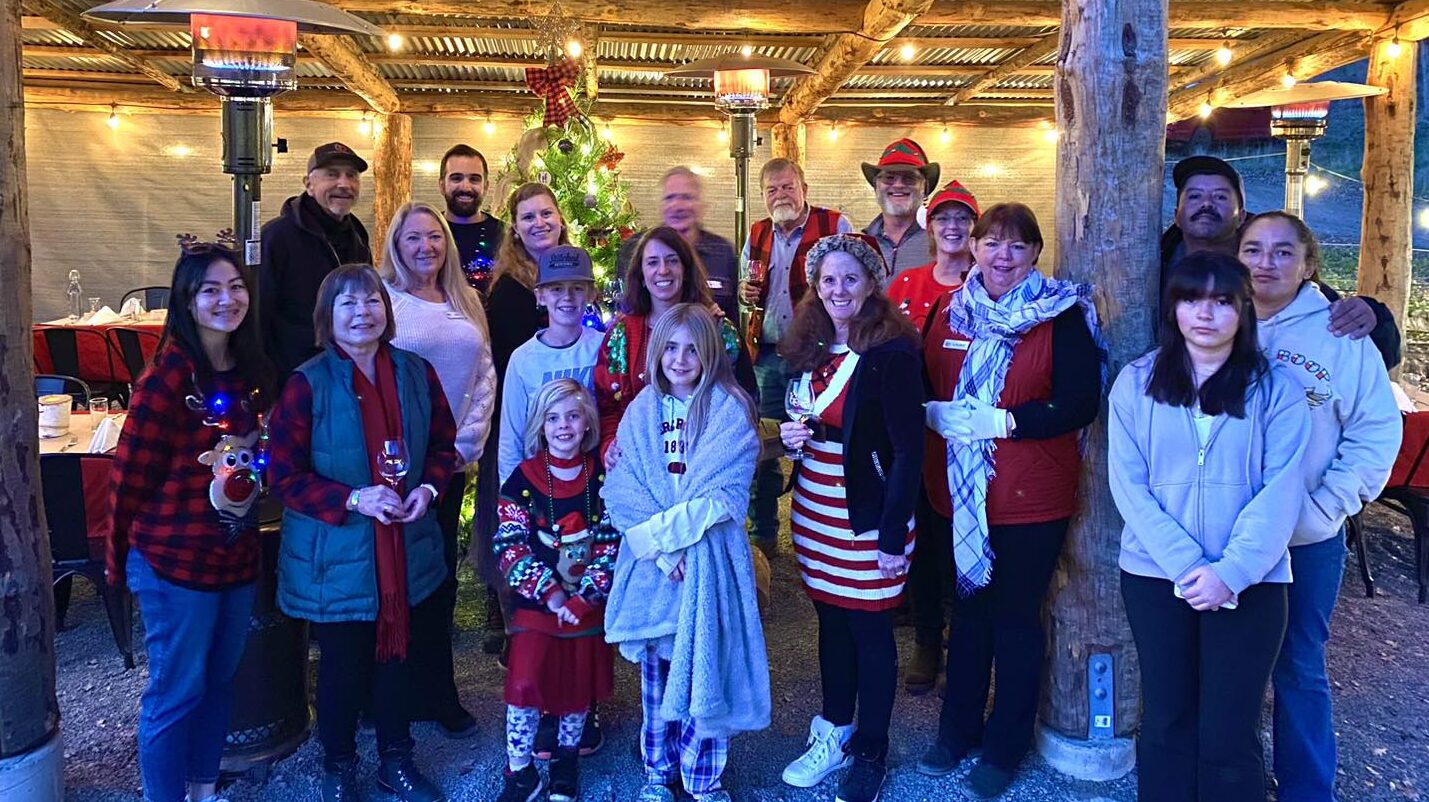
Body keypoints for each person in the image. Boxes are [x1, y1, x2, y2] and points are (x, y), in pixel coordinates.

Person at [916, 203, 1104, 798]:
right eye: (991, 243)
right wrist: (932, 411)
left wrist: (1005, 421)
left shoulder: (1061, 315)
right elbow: (922, 381)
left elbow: (1080, 401)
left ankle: (1005, 745)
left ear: (1035, 254)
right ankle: (956, 732)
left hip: (1030, 496)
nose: (1002, 256)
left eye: (1017, 246)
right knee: (967, 613)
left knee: (1016, 620)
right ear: (972, 248)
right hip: (960, 496)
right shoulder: (951, 309)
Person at [1108, 251, 1311, 802]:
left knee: (1229, 729)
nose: (1206, 313)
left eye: (1223, 301)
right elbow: (1129, 486)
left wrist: (1232, 571)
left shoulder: (1279, 390)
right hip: (1156, 577)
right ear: (1173, 308)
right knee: (1167, 719)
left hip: (1253, 581)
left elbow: (1281, 491)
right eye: (1192, 299)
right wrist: (1189, 566)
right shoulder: (1136, 384)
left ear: (1244, 312)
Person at [268, 264, 457, 802]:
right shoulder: (307, 384)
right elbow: (282, 475)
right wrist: (353, 497)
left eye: (371, 301)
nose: (362, 313)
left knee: (399, 662)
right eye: (347, 304)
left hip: (404, 546)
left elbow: (444, 448)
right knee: (343, 670)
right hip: (341, 554)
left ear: (386, 309)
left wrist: (429, 490)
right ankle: (339, 766)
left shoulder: (416, 373)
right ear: (328, 317)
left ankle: (395, 761)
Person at [1239, 213, 1402, 802]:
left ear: (1308, 265)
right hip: (1226, 533)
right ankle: (1236, 780)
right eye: (1253, 250)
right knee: (1229, 664)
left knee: (1299, 664)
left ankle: (1309, 788)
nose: (1266, 263)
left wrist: (1324, 508)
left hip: (1307, 536)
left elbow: (1374, 434)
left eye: (1283, 252)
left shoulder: (1340, 334)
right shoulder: (1218, 322)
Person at [108, 241, 276, 802]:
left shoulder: (249, 371)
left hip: (234, 557)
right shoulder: (165, 380)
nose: (227, 299)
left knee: (218, 684)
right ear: (187, 299)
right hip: (174, 564)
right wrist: (118, 563)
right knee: (176, 693)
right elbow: (128, 478)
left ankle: (202, 789)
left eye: (235, 287)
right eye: (211, 289)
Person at [776, 233, 923, 802]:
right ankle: (832, 733)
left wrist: (893, 536)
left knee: (870, 630)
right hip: (817, 510)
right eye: (828, 280)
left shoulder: (893, 351)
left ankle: (871, 749)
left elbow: (909, 449)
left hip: (868, 513)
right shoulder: (812, 347)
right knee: (832, 625)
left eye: (851, 279)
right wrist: (793, 436)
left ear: (871, 284)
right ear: (816, 286)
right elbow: (813, 420)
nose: (838, 290)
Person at [602, 303, 767, 802]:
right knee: (657, 680)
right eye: (670, 347)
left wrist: (666, 541)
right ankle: (658, 772)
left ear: (710, 352)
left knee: (706, 667)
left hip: (709, 561)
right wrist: (660, 554)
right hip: (658, 570)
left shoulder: (728, 408)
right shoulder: (641, 409)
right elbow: (623, 489)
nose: (679, 358)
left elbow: (725, 496)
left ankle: (702, 778)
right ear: (656, 352)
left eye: (692, 348)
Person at [379, 201, 498, 738]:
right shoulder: (385, 302)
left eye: (434, 237)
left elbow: (486, 374)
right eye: (413, 239)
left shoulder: (465, 299)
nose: (425, 247)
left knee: (441, 579)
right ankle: (388, 696)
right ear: (395, 246)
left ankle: (438, 689)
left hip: (446, 468)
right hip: (394, 468)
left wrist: (463, 447)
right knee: (394, 581)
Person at [494, 379, 620, 802]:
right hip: (537, 604)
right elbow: (509, 546)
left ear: (587, 423)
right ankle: (521, 772)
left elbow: (611, 543)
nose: (563, 426)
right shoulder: (522, 480)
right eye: (553, 418)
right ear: (541, 426)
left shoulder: (603, 479)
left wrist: (586, 596)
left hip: (586, 605)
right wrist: (549, 593)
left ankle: (566, 758)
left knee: (575, 684)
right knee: (526, 686)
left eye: (572, 416)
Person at [1160, 155, 1400, 368]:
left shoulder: (1265, 272)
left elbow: (1365, 350)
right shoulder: (1150, 271)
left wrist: (1374, 318)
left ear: (1241, 215)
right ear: (1177, 216)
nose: (1206, 204)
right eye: (1194, 196)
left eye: (1220, 197)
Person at [884, 178, 980, 693]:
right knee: (924, 538)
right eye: (943, 218)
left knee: (966, 540)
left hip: (973, 435)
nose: (952, 227)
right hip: (918, 432)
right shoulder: (905, 285)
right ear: (930, 224)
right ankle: (926, 639)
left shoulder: (989, 283)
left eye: (962, 219)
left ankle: (964, 643)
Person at [739, 158, 854, 554]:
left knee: (823, 441)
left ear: (804, 186)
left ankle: (827, 529)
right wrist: (744, 293)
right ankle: (764, 534)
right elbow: (746, 287)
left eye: (788, 187)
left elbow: (851, 284)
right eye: (771, 190)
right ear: (763, 196)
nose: (780, 195)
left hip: (817, 355)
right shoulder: (756, 233)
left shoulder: (835, 225)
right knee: (766, 445)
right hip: (768, 356)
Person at [478, 182, 570, 658]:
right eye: (529, 216)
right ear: (515, 227)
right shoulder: (509, 288)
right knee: (512, 509)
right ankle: (507, 603)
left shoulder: (569, 272)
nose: (539, 223)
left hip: (567, 423)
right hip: (520, 418)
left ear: (560, 219)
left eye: (546, 214)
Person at [596, 225, 756, 467]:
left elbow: (745, 401)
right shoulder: (621, 335)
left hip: (705, 467)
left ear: (686, 269)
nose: (663, 270)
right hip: (639, 468)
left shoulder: (719, 332)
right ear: (640, 273)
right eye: (652, 262)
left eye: (672, 260)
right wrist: (610, 445)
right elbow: (607, 406)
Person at [259, 141, 372, 377]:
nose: (344, 184)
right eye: (332, 174)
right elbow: (259, 315)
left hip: (347, 372)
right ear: (309, 184)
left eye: (352, 176)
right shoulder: (277, 237)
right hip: (292, 376)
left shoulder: (358, 237)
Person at [499, 245, 604, 486]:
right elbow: (511, 438)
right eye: (557, 289)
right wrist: (511, 497)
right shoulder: (523, 359)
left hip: (596, 481)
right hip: (540, 486)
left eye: (577, 288)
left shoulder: (603, 347)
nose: (567, 297)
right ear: (540, 296)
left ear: (590, 294)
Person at [617, 166, 741, 320]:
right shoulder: (633, 248)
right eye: (670, 198)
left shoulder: (722, 251)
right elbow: (625, 311)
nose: (677, 206)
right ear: (661, 205)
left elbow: (733, 318)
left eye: (687, 198)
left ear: (702, 206)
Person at [860, 138, 939, 276]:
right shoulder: (861, 244)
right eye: (889, 178)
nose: (898, 185)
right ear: (876, 187)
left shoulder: (941, 240)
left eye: (909, 178)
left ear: (925, 188)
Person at [438, 144, 505, 295]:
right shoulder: (428, 233)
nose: (466, 187)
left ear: (486, 187)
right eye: (456, 178)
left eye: (474, 179)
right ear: (441, 185)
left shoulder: (506, 235)